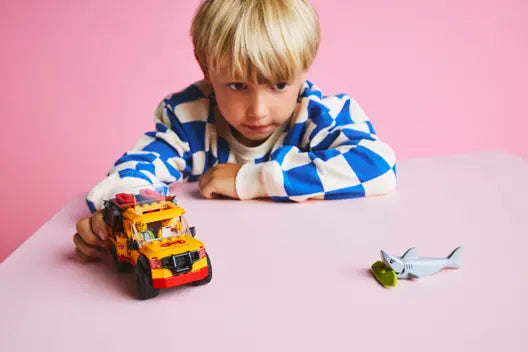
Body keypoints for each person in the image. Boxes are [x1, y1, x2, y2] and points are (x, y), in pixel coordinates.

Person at [73, 0, 397, 261]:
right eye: (237, 85)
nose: (258, 110)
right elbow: (135, 168)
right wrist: (121, 214)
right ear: (206, 67)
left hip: (307, 263)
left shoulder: (319, 115)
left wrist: (251, 179)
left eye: (279, 85)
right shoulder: (190, 120)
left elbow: (378, 165)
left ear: (305, 67)